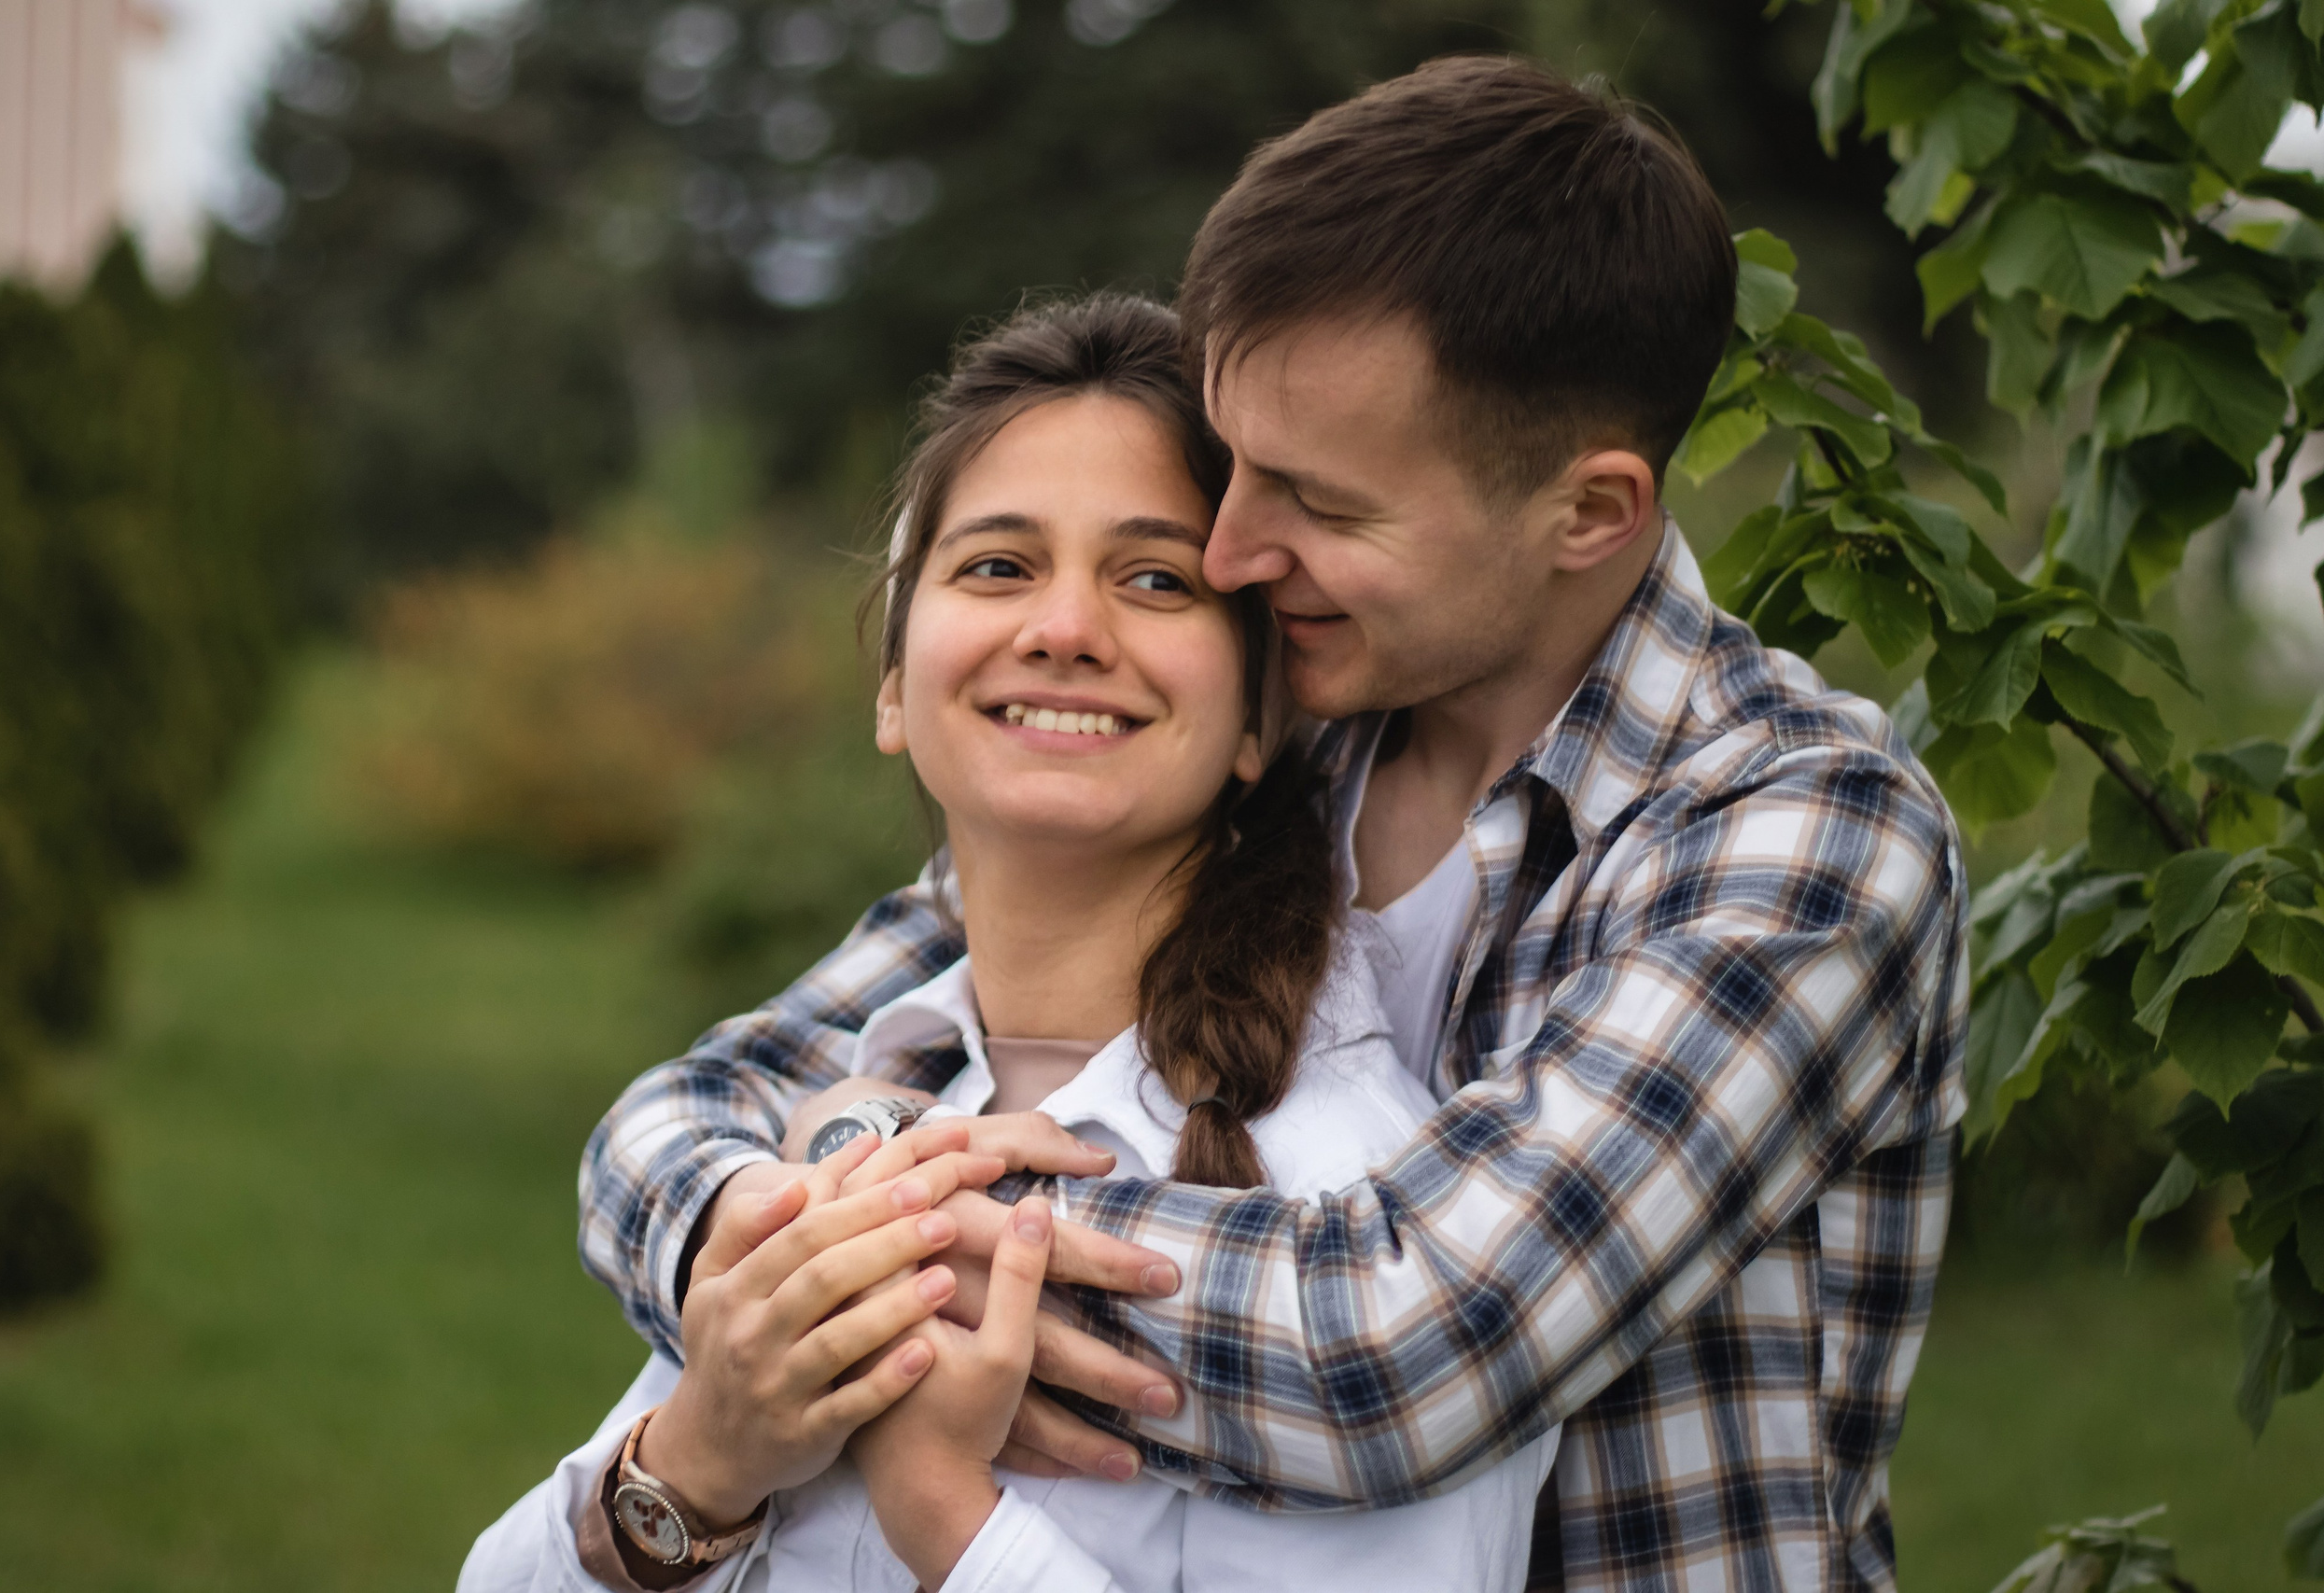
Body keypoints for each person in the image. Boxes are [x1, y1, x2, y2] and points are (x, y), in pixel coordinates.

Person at [579, 55, 1968, 1593]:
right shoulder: (1287, 727)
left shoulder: (1803, 836)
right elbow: (688, 1118)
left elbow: (1404, 1346)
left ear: (1592, 513)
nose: (1234, 549)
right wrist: (768, 1251)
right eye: (1236, 463)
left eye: (1322, 503)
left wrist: (877, 1275)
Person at [462, 293, 1559, 1593]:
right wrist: (701, 1458)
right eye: (996, 565)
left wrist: (949, 1520)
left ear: (1260, 718)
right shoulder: (847, 1112)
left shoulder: (1340, 1190)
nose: (1065, 629)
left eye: (1155, 579)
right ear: (893, 683)